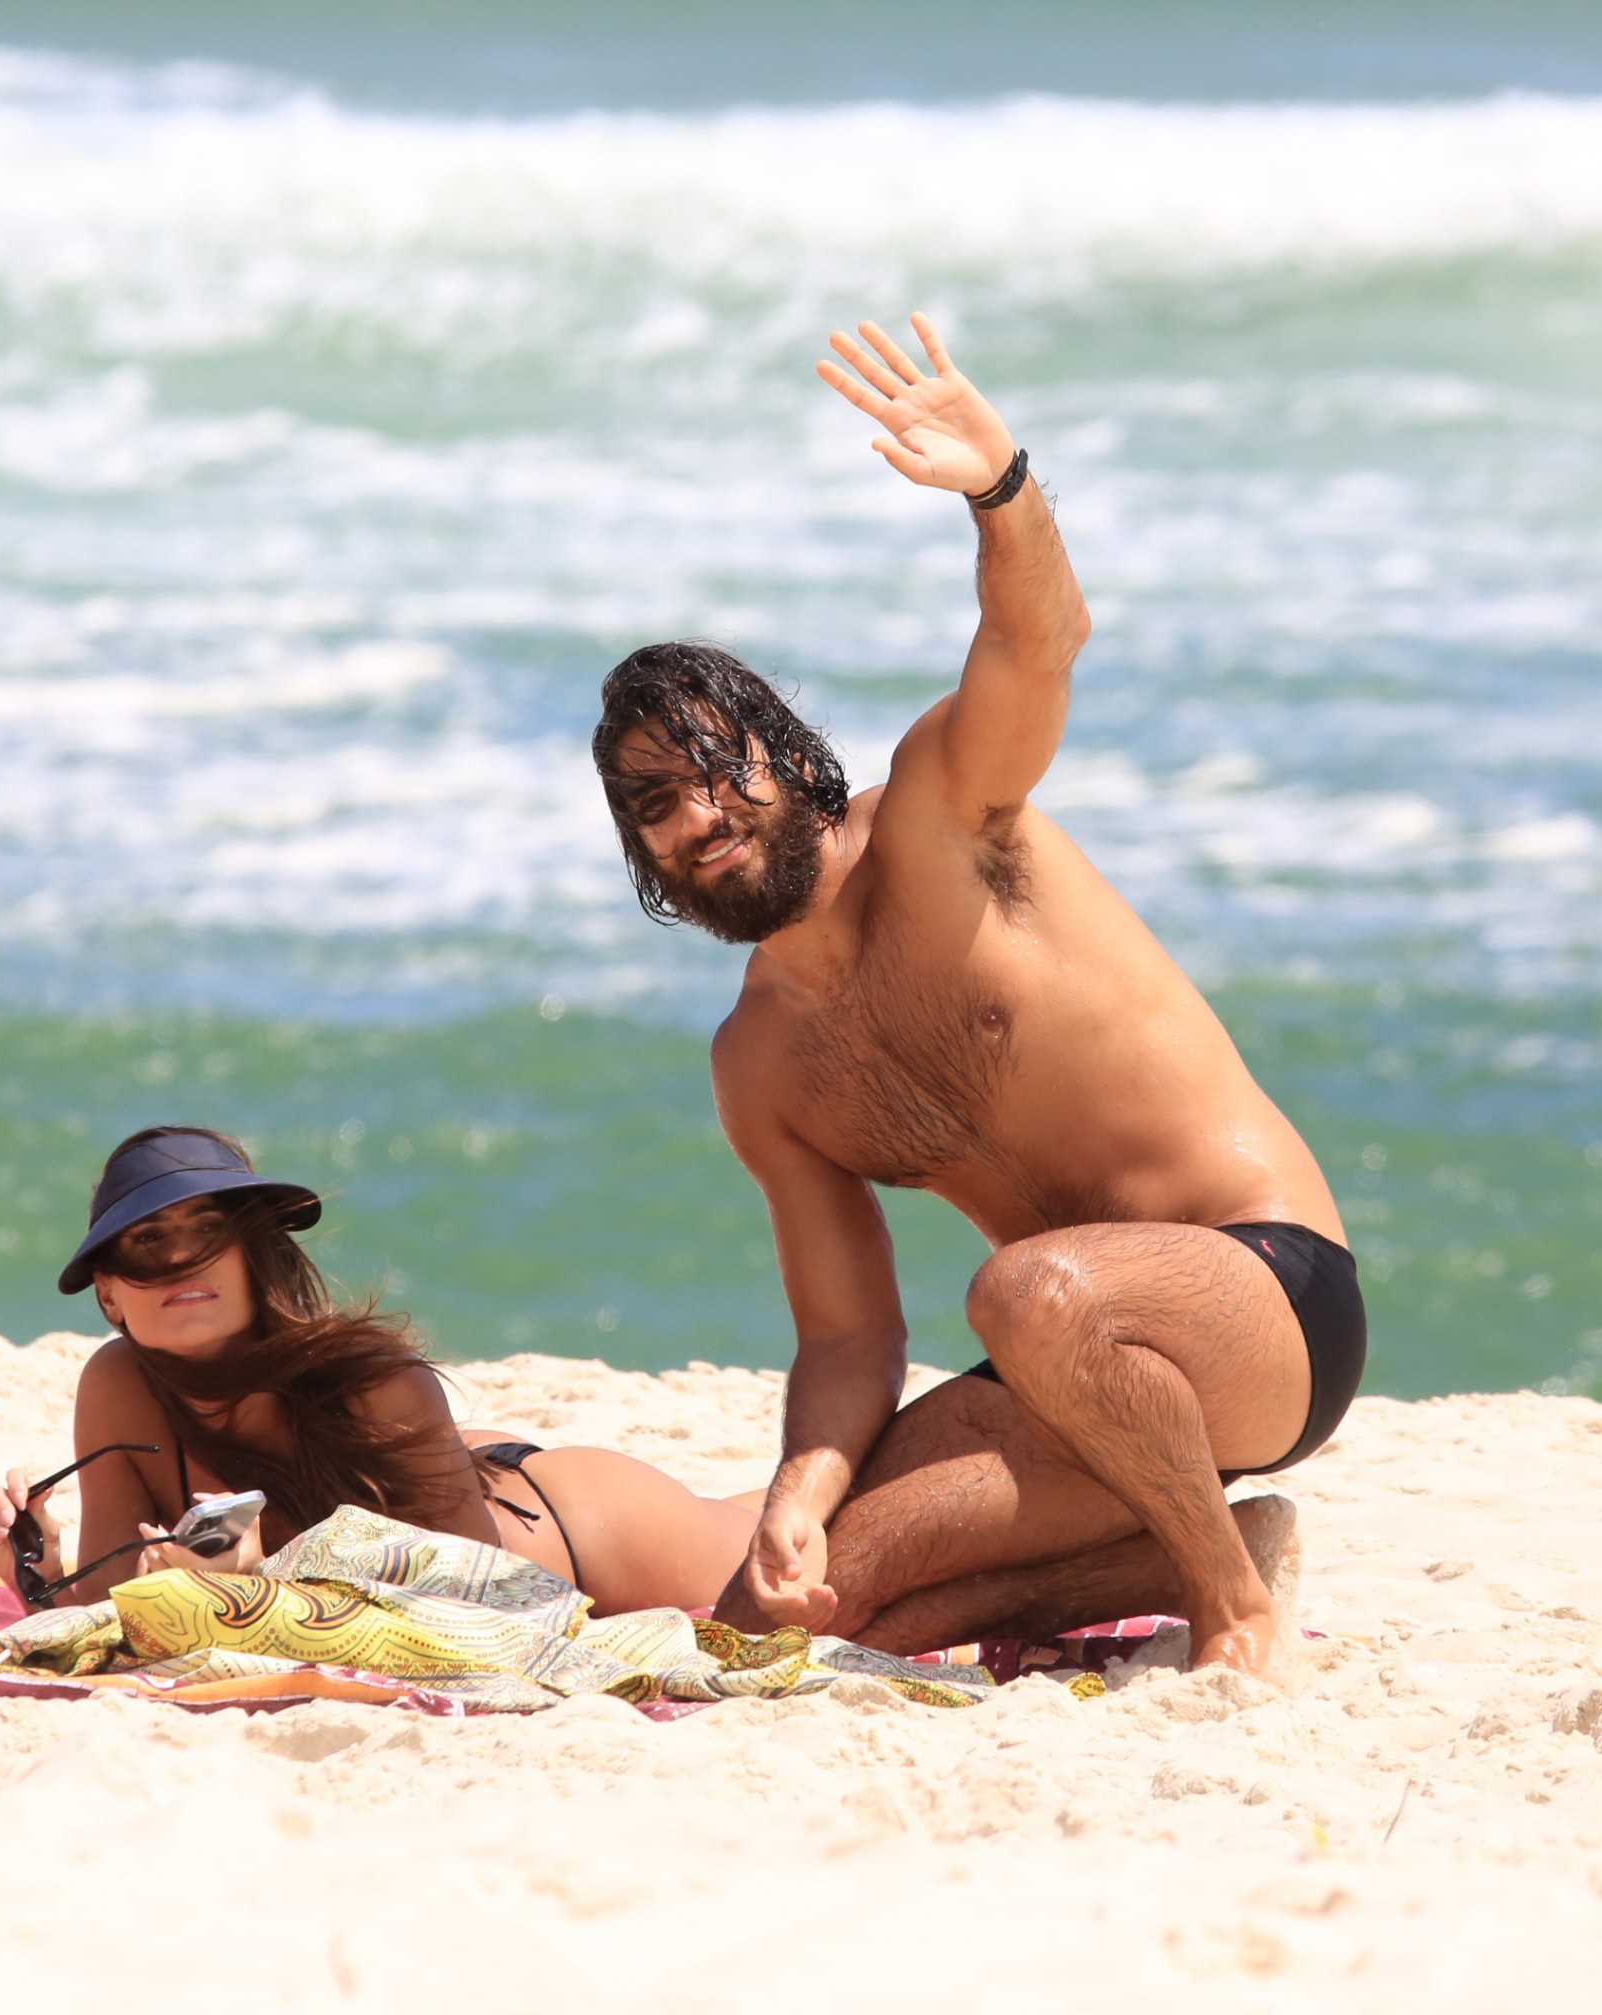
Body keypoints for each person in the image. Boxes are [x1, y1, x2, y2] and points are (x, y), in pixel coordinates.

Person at [591, 314, 1365, 1673]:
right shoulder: (760, 1062)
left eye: (720, 768)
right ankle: (1203, 1545)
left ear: (785, 759)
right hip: (1071, 1372)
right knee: (796, 1615)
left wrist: (998, 489)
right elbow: (848, 1331)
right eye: (656, 803)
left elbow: (1043, 640)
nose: (699, 814)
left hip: (1264, 1299)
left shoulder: (943, 820)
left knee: (1029, 1286)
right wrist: (800, 1494)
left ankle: (1228, 1607)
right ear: (641, 850)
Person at [0, 1126, 759, 1616]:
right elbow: (114, 1611)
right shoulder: (119, 1385)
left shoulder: (374, 1384)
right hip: (459, 1477)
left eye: (209, 1229)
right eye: (148, 1242)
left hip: (580, 1535)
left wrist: (260, 1587)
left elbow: (501, 1606)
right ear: (108, 1293)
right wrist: (34, 1573)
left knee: (791, 1528)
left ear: (257, 1255)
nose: (183, 1260)